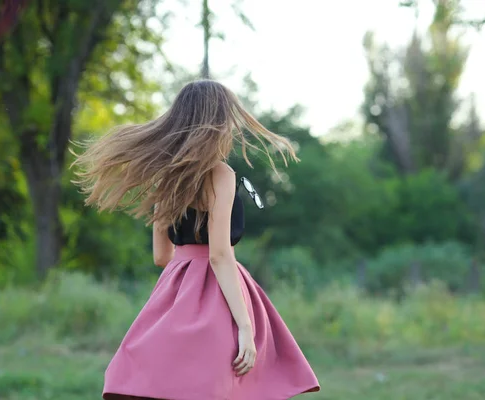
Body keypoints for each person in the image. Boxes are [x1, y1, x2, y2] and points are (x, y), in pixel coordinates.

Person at [72, 80, 320, 400]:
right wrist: (245, 326)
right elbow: (219, 255)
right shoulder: (221, 174)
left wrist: (187, 263)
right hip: (221, 291)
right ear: (218, 122)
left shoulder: (165, 176)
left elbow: (162, 257)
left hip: (176, 290)